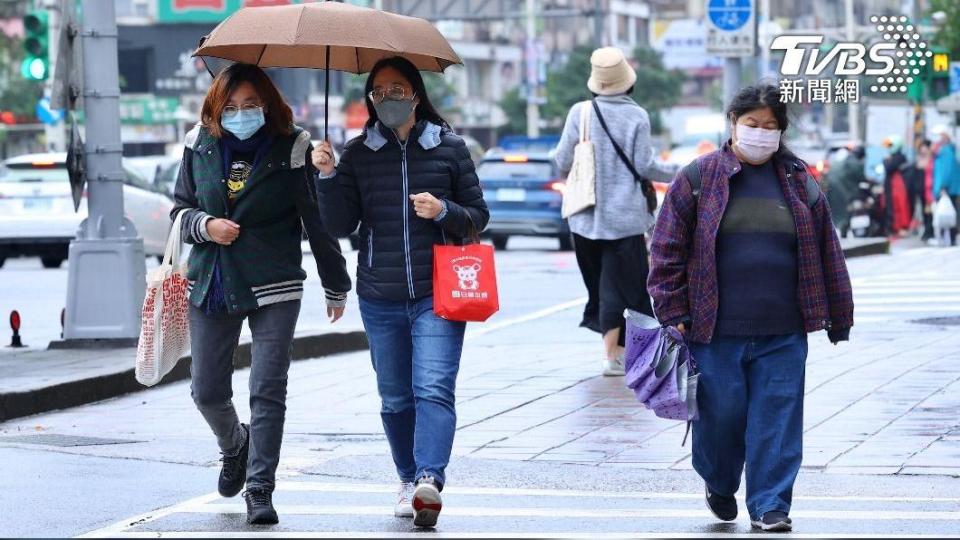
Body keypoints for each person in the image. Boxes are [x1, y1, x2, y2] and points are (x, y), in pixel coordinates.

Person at [647, 83, 854, 533]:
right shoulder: (698, 178)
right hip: (713, 329)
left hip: (783, 329)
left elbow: (827, 250)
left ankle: (770, 503)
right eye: (752, 125)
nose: (761, 134)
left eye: (771, 126)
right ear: (733, 124)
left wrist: (838, 315)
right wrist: (671, 311)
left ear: (782, 131)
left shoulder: (800, 180)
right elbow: (665, 250)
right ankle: (719, 482)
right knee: (721, 419)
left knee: (777, 419)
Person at [311, 56, 489, 529]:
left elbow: (478, 216)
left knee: (432, 387)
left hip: (438, 293)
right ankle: (408, 479)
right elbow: (339, 224)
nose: (387, 98)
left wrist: (444, 210)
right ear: (370, 99)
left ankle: (430, 477)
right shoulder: (357, 153)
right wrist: (326, 176)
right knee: (394, 397)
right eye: (378, 92)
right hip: (379, 293)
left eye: (396, 89)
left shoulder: (449, 148)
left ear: (415, 93)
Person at [171, 63, 351, 526]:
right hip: (213, 278)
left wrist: (335, 282)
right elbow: (180, 209)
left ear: (267, 104)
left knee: (267, 387)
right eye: (230, 106)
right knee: (207, 390)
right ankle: (235, 444)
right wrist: (205, 226)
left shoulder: (294, 147)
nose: (241, 113)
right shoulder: (199, 144)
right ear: (216, 108)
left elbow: (315, 218)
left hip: (275, 280)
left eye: (251, 104)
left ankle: (259, 486)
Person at [554, 47, 677, 377]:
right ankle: (614, 356)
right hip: (625, 219)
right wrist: (680, 170)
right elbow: (645, 165)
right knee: (623, 286)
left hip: (582, 216)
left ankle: (619, 353)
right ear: (627, 81)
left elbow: (561, 161)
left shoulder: (579, 113)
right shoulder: (637, 116)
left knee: (602, 287)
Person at [825, 145, 866, 237]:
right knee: (846, 211)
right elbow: (861, 177)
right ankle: (843, 229)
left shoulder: (838, 160)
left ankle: (839, 230)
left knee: (836, 211)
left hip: (832, 189)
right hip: (843, 190)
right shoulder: (854, 162)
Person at [932, 125, 960, 245]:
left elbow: (946, 171)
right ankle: (950, 238)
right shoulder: (950, 150)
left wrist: (943, 186)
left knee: (945, 213)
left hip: (946, 187)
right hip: (951, 187)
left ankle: (946, 238)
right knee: (950, 212)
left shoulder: (946, 151)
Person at [905, 139, 934, 242]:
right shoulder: (919, 160)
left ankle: (930, 231)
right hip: (921, 190)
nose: (923, 150)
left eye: (924, 148)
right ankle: (927, 231)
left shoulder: (932, 160)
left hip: (930, 189)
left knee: (930, 212)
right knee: (924, 211)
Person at [882, 135, 911, 235]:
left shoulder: (899, 157)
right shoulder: (894, 157)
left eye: (890, 145)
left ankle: (899, 227)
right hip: (891, 187)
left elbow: (889, 168)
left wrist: (885, 160)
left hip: (896, 188)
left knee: (897, 206)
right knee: (890, 206)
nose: (888, 148)